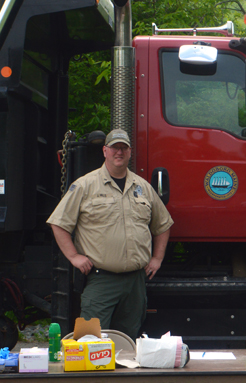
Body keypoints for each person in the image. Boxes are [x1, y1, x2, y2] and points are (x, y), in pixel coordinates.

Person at [47, 129, 173, 341]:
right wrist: (74, 257)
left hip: (135, 282)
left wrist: (157, 258)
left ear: (130, 152)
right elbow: (58, 223)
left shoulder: (143, 187)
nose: (119, 152)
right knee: (90, 342)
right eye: (115, 147)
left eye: (123, 148)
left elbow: (163, 225)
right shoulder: (85, 185)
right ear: (105, 151)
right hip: (101, 280)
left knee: (127, 343)